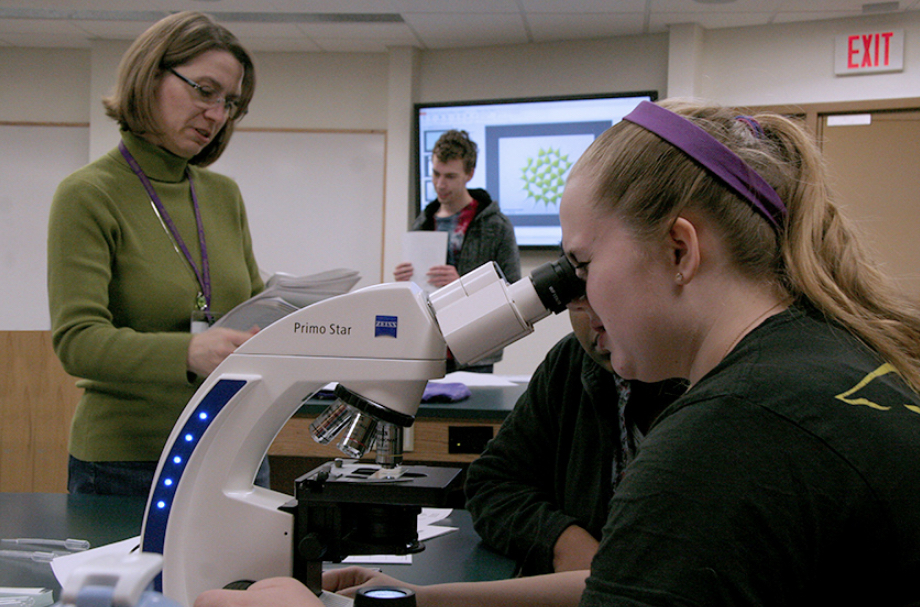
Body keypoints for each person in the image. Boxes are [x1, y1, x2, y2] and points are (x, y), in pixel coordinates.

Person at [194, 98, 920, 607]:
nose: (574, 295)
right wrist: (417, 599)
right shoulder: (823, 359)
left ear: (679, 248)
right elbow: (638, 580)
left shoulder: (726, 437)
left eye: (580, 264)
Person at [47, 11, 268, 496]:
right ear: (150, 77)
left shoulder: (222, 194)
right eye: (204, 91)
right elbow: (77, 341)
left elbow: (251, 308)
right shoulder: (88, 194)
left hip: (233, 446)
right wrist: (188, 351)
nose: (216, 114)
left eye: (230, 103)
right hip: (129, 462)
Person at [464, 304, 685, 575]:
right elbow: (493, 483)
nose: (595, 320)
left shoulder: (719, 386)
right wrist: (562, 540)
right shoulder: (569, 363)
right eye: (579, 299)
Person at [393, 129, 520, 373]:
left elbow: (512, 290)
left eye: (450, 176)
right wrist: (403, 284)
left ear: (469, 174)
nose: (440, 184)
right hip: (427, 347)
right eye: (436, 174)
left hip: (475, 348)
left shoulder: (495, 225)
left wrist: (464, 285)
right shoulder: (422, 223)